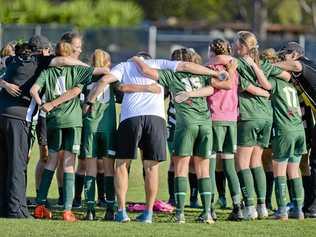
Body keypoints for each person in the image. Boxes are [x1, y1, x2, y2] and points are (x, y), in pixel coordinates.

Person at [85, 52, 223, 223]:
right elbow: (186, 66)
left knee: (121, 165)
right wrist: (214, 73)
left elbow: (105, 80)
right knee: (152, 168)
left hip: (131, 118)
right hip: (156, 119)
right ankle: (148, 213)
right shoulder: (159, 63)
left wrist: (89, 102)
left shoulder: (124, 65)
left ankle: (121, 212)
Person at [132, 51, 232, 224]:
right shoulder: (202, 74)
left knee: (180, 168)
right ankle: (207, 212)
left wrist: (136, 60)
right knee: (203, 170)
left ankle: (179, 214)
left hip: (186, 124)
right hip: (205, 124)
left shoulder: (172, 74)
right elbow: (215, 87)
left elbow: (147, 71)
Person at [31, 41, 107, 222]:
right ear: (69, 55)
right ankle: (67, 210)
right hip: (72, 121)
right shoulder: (77, 71)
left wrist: (43, 105)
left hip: (53, 121)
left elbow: (34, 90)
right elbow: (100, 73)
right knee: (68, 164)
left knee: (51, 161)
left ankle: (40, 206)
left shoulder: (46, 72)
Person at [233, 31, 289, 219]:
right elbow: (286, 76)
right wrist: (265, 92)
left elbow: (241, 83)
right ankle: (262, 206)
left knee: (241, 163)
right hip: (267, 117)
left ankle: (249, 208)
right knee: (256, 162)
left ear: (242, 47)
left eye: (235, 44)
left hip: (249, 117)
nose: (233, 47)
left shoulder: (238, 63)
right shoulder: (264, 64)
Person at [260, 48, 306, 220]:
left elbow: (265, 88)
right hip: (298, 129)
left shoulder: (275, 80)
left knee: (279, 171)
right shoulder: (291, 83)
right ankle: (298, 210)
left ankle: (281, 211)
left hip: (284, 130)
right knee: (294, 171)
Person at [274, 42, 316, 217]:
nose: (283, 58)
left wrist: (262, 64)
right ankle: (308, 206)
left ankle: (312, 207)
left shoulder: (301, 63)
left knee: (314, 163)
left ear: (294, 54)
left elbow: (295, 66)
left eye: (285, 55)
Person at [206, 38, 243, 221]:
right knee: (229, 166)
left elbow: (224, 84)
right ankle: (237, 207)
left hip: (214, 119)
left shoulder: (211, 69)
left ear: (211, 50)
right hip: (231, 121)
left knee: (210, 166)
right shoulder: (233, 68)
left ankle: (210, 207)